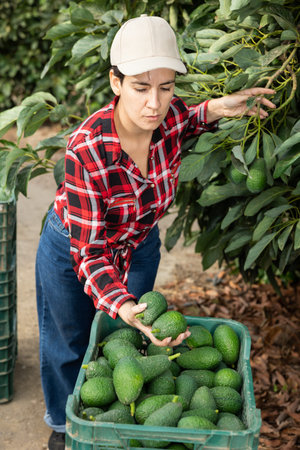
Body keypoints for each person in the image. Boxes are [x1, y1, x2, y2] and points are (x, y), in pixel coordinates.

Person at [35, 14, 276, 450]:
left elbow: (189, 120)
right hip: (75, 248)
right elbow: (88, 254)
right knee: (69, 344)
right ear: (116, 82)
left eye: (166, 88)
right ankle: (63, 423)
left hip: (139, 244)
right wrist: (124, 305)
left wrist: (219, 107)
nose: (155, 103)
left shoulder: (167, 118)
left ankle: (122, 422)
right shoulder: (88, 148)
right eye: (141, 88)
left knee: (129, 342)